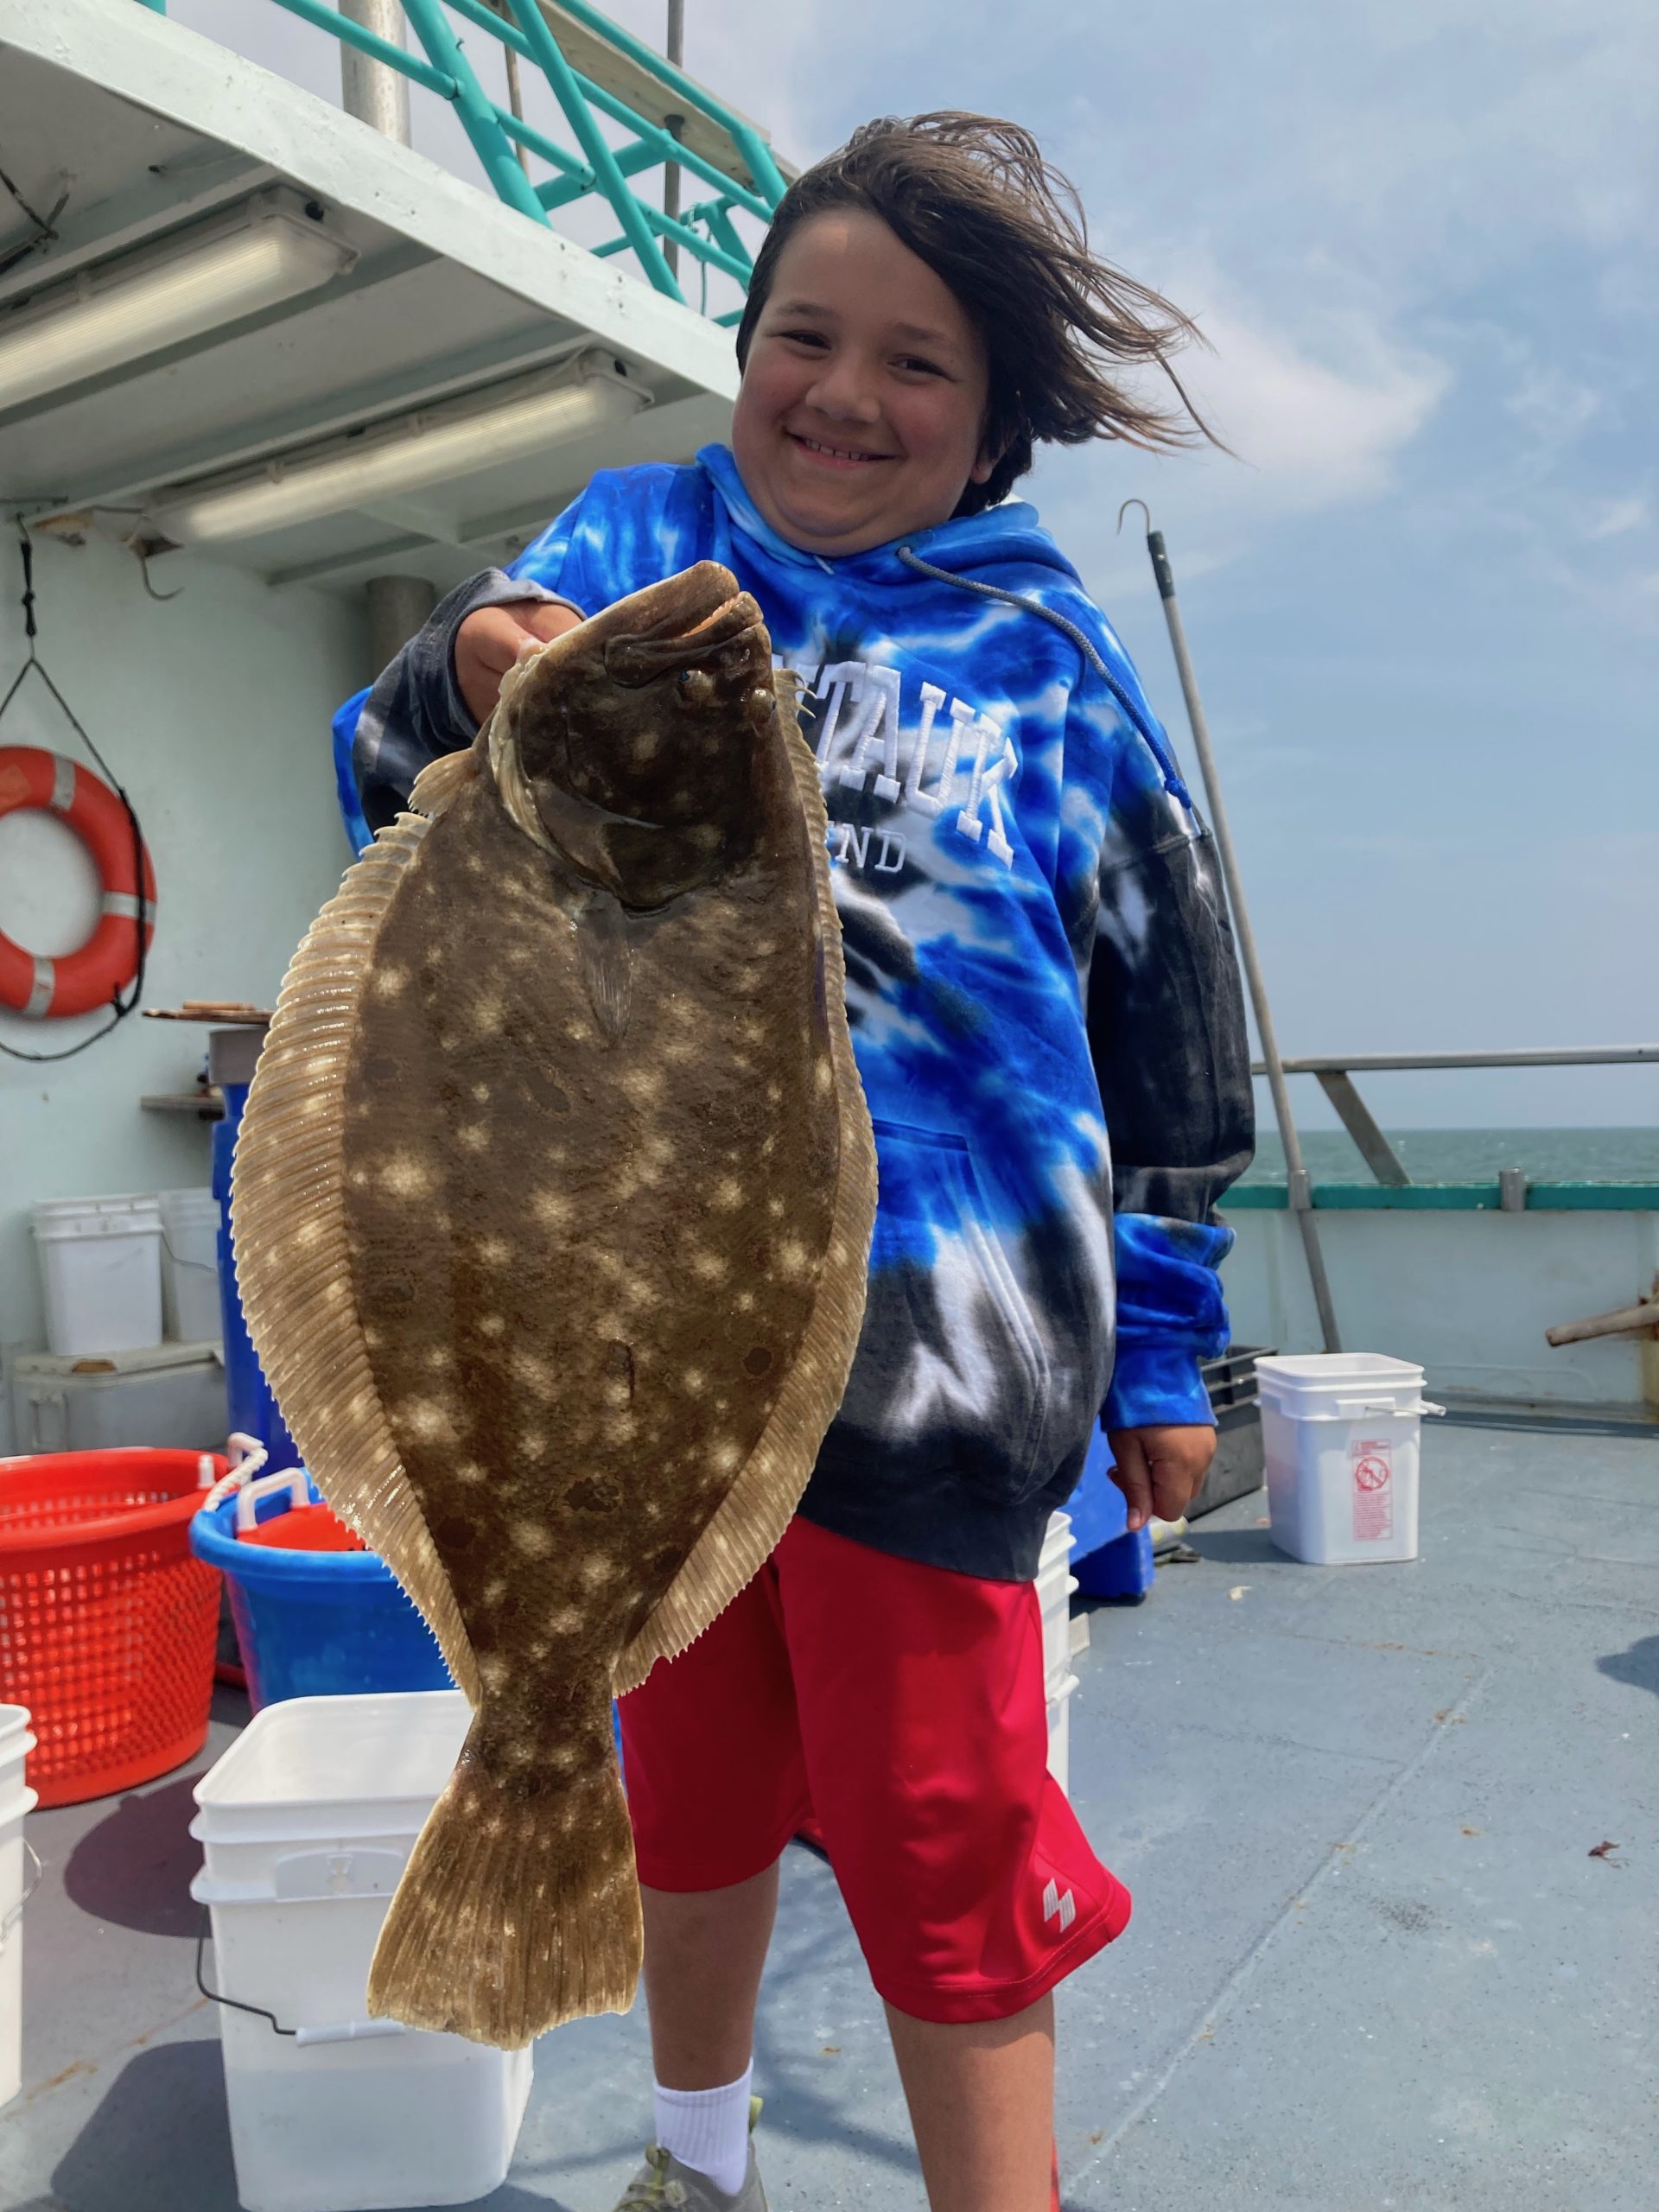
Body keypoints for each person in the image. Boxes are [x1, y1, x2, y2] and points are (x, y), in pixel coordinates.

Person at [341, 111, 1253, 2212]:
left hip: (935, 1362)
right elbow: (384, 767)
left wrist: (1167, 1350)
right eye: (802, 335)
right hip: (621, 1332)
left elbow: (1174, 1029)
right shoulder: (629, 547)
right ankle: (697, 2160)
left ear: (997, 414)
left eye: (917, 361)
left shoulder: (1049, 666)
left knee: (945, 1840)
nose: (844, 394)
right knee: (693, 1786)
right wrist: (473, 665)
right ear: (740, 347)